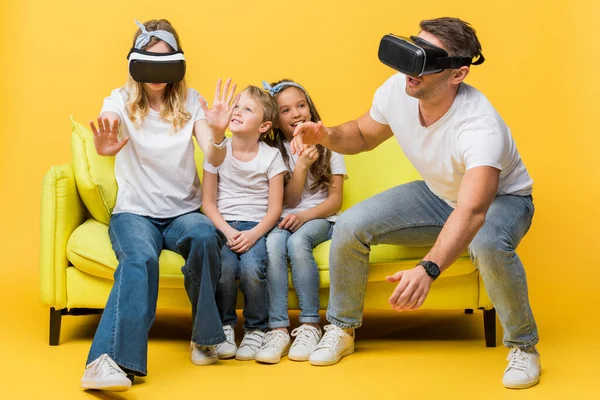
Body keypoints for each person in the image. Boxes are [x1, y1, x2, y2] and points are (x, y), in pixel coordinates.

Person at [291, 17, 540, 389]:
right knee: (350, 224)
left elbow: (473, 211)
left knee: (486, 241)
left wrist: (428, 269)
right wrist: (324, 135)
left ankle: (524, 348)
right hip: (439, 194)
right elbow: (360, 135)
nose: (410, 68)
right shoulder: (398, 90)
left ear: (457, 74)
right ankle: (342, 328)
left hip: (502, 201)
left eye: (424, 59)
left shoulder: (479, 127)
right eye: (412, 51)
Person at [80, 19, 239, 392]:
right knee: (140, 260)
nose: (156, 73)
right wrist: (104, 143)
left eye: (164, 62)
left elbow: (212, 156)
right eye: (148, 62)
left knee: (204, 236)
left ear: (178, 64)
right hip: (134, 213)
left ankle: (204, 337)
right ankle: (105, 361)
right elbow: (109, 122)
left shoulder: (190, 101)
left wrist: (217, 134)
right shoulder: (118, 99)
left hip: (183, 213)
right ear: (135, 63)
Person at [253, 80, 346, 364]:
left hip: (321, 218)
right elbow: (289, 202)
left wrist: (305, 217)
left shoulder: (331, 144)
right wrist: (301, 166)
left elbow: (335, 200)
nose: (296, 114)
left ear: (310, 108)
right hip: (288, 215)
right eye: (286, 110)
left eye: (301, 105)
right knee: (273, 243)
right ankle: (278, 328)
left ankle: (309, 325)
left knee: (298, 241)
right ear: (274, 120)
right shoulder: (273, 152)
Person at [201, 86, 288, 361]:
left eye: (247, 109)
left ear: (264, 126)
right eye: (236, 106)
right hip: (223, 226)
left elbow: (275, 208)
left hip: (256, 226)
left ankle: (255, 329)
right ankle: (226, 326)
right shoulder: (217, 151)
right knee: (224, 268)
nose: (236, 111)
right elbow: (208, 203)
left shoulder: (271, 156)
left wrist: (253, 235)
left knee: (252, 269)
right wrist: (226, 231)